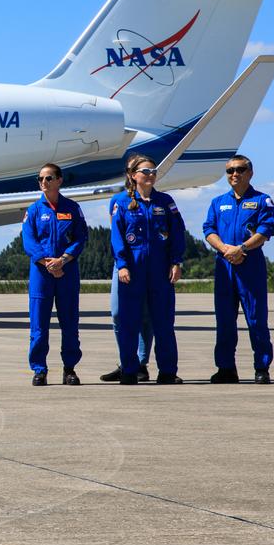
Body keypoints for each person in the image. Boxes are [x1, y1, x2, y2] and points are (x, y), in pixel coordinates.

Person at [108, 153, 185, 385]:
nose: (150, 175)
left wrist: (176, 261)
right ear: (133, 176)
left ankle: (168, 371)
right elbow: (117, 236)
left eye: (153, 172)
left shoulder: (166, 202)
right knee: (128, 321)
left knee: (163, 321)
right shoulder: (120, 202)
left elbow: (178, 234)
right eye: (145, 172)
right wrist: (122, 264)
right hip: (132, 268)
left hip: (160, 270)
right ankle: (130, 370)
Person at [203, 155, 274, 383]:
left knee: (256, 320)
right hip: (224, 266)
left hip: (250, 265)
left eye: (240, 169)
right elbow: (209, 229)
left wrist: (242, 248)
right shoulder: (218, 202)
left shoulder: (261, 200)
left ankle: (262, 368)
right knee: (225, 321)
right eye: (230, 171)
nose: (234, 174)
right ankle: (226, 368)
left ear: (250, 173)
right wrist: (225, 250)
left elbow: (267, 229)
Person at [21, 163, 88, 386]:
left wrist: (63, 260)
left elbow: (81, 238)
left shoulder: (73, 208)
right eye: (40, 179)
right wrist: (47, 262)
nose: (43, 183)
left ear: (59, 180)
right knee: (39, 325)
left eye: (48, 178)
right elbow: (29, 242)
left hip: (67, 271)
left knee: (70, 323)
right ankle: (39, 369)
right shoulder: (33, 211)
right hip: (41, 273)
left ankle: (69, 369)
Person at [100, 272, 154, 382]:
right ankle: (127, 361)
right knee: (117, 314)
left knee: (144, 313)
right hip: (121, 262)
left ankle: (141, 364)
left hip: (144, 261)